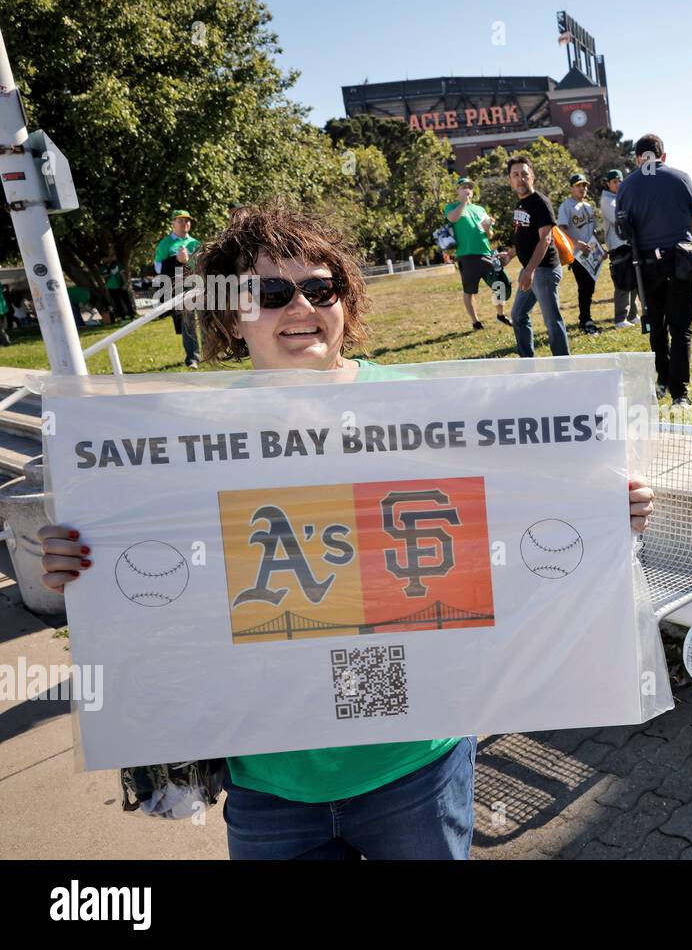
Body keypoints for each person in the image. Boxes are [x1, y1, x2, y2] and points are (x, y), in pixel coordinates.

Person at [37, 200, 657, 860]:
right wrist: (82, 563)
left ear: (344, 301)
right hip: (271, 780)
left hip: (415, 766)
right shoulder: (185, 442)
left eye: (318, 287)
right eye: (270, 292)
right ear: (230, 316)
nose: (299, 306)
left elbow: (519, 514)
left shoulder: (431, 407)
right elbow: (156, 574)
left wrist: (602, 510)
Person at [615, 133, 692, 408]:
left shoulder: (626, 186)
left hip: (645, 267)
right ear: (662, 156)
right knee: (680, 329)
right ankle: (680, 393)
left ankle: (662, 380)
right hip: (679, 262)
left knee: (656, 326)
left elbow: (622, 230)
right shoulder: (680, 177)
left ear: (638, 158)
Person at [499, 154, 569, 359]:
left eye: (524, 174)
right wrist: (510, 254)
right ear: (510, 180)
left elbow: (545, 240)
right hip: (531, 269)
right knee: (518, 315)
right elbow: (524, 235)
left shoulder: (540, 202)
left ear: (532, 176)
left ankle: (563, 366)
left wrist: (529, 270)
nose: (520, 178)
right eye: (515, 175)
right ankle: (527, 362)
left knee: (551, 320)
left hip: (544, 270)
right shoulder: (520, 204)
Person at [444, 176, 508, 331]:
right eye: (464, 187)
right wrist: (464, 203)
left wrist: (487, 227)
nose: (468, 189)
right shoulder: (451, 207)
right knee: (469, 291)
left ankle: (500, 315)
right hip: (466, 255)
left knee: (498, 283)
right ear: (457, 190)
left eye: (470, 187)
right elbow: (452, 218)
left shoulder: (480, 209)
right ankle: (475, 322)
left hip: (485, 252)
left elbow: (489, 234)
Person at [153, 208, 202, 368]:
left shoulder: (195, 243)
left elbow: (201, 265)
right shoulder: (165, 244)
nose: (185, 223)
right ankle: (193, 358)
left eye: (187, 220)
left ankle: (210, 353)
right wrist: (176, 260)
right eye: (180, 220)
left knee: (206, 319)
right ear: (173, 223)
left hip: (198, 284)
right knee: (187, 323)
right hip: (179, 288)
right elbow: (159, 269)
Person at [557, 172, 601, 335]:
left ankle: (586, 318)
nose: (582, 188)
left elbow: (593, 230)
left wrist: (600, 251)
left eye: (584, 185)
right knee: (584, 287)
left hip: (591, 252)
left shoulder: (588, 206)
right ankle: (585, 321)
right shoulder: (566, 206)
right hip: (577, 254)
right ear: (571, 188)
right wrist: (576, 243)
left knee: (590, 287)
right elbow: (561, 229)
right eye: (579, 185)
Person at [598, 168, 640, 328]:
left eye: (619, 181)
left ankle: (633, 314)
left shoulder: (622, 197)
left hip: (629, 243)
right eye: (614, 181)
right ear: (608, 184)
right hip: (617, 246)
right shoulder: (606, 199)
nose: (618, 184)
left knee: (635, 281)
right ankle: (620, 319)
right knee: (623, 281)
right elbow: (620, 219)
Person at [99, 256, 135, 323]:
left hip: (121, 285)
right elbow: (102, 277)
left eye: (106, 257)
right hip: (111, 287)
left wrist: (125, 283)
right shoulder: (102, 267)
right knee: (117, 303)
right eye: (103, 258)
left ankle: (132, 316)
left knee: (127, 301)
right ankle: (122, 318)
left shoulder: (117, 264)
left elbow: (122, 274)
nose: (104, 259)